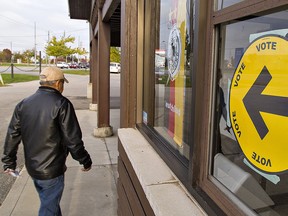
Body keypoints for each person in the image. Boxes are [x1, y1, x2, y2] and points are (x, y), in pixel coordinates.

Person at [2, 66, 92, 216]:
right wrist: (85, 160)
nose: (63, 87)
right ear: (57, 83)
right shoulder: (62, 104)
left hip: (33, 168)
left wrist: (8, 162)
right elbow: (72, 139)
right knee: (48, 209)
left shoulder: (23, 104)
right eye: (63, 83)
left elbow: (12, 135)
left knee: (50, 204)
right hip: (52, 170)